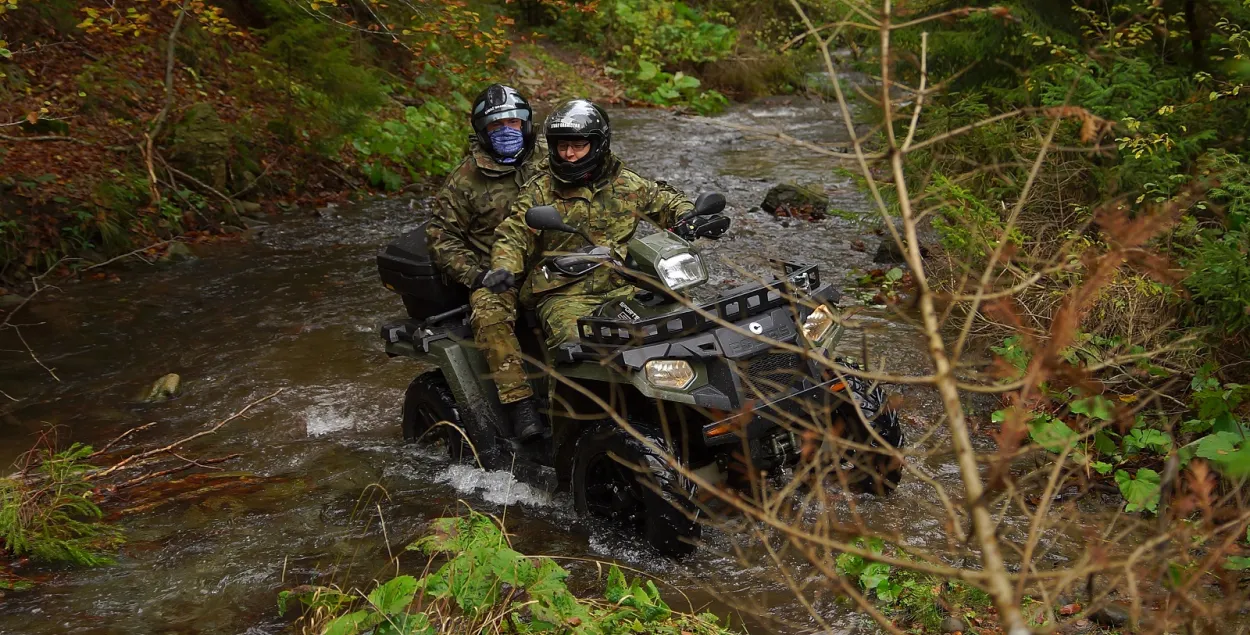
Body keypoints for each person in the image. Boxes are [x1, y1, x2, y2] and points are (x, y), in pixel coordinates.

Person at [476, 99, 730, 441]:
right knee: (575, 346)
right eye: (562, 146)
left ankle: (704, 404)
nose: (568, 155)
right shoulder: (540, 189)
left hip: (624, 284)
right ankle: (563, 431)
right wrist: (504, 267)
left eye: (577, 146)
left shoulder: (626, 183)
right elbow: (514, 233)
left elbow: (664, 200)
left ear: (598, 144)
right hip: (565, 292)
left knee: (692, 323)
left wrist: (691, 217)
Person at [425, 84, 547, 441]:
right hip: (500, 275)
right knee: (489, 312)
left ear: (527, 123)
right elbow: (440, 237)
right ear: (483, 131)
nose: (507, 131)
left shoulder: (552, 158)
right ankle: (521, 405)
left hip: (556, 261)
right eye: (496, 126)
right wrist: (477, 275)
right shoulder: (464, 180)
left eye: (513, 122)